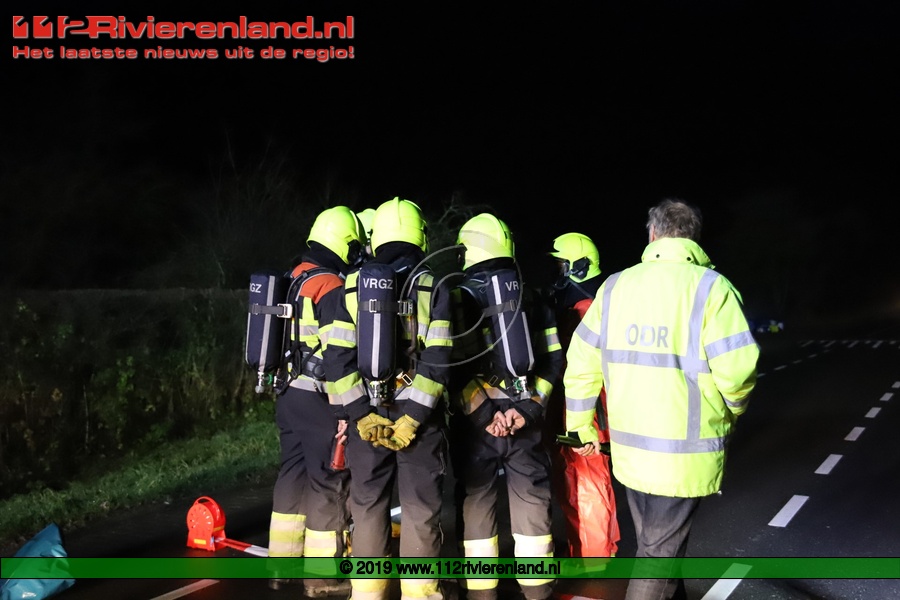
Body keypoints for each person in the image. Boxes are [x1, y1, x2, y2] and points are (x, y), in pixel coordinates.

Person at [563, 198, 759, 600]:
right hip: (684, 454)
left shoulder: (615, 287)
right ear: (693, 239)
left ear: (653, 234)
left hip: (630, 450)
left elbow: (581, 362)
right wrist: (732, 412)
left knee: (660, 548)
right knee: (658, 555)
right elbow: (738, 371)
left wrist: (580, 425)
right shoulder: (712, 289)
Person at [324, 197, 453, 600]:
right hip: (420, 422)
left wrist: (361, 414)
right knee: (420, 509)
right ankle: (420, 593)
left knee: (367, 506)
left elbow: (337, 359)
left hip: (368, 419)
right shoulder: (435, 287)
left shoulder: (350, 287)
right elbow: (438, 359)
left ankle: (368, 592)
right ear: (421, 236)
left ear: (374, 238)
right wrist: (412, 418)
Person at [448, 213, 562, 600]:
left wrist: (485, 414)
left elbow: (450, 367)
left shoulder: (455, 298)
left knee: (476, 500)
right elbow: (554, 359)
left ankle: (481, 591)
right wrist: (526, 410)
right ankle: (538, 589)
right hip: (523, 419)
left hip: (476, 426)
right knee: (532, 499)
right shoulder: (531, 295)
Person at [267, 205, 366, 597]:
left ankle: (282, 566)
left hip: (287, 393)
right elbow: (337, 354)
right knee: (329, 481)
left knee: (292, 473)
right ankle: (324, 579)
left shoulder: (294, 277)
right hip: (318, 398)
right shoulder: (330, 286)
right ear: (345, 244)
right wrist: (344, 411)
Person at [542, 232, 620, 560]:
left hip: (585, 410)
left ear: (580, 266)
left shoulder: (584, 308)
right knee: (587, 476)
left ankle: (592, 555)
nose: (558, 272)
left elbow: (579, 368)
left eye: (562, 265)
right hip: (588, 408)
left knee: (584, 477)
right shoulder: (597, 300)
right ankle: (597, 548)